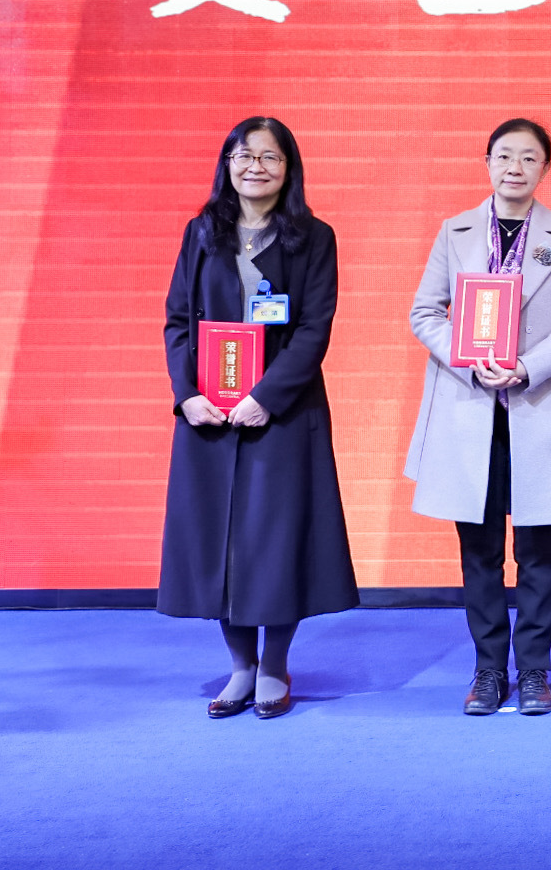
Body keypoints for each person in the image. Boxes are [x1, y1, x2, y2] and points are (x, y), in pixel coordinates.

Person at [159, 116, 358, 720]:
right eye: (244, 156)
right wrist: (187, 395)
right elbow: (177, 321)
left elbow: (313, 329)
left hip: (283, 414)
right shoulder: (201, 233)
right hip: (209, 416)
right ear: (227, 164)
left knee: (275, 541)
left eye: (270, 157)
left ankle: (274, 665)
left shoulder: (313, 237)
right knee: (219, 541)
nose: (256, 167)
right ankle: (240, 666)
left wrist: (266, 397)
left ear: (288, 168)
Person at [406, 118, 551, 718]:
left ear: (545, 168)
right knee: (480, 552)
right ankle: (488, 669)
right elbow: (424, 312)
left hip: (536, 405)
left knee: (539, 552)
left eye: (529, 158)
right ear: (487, 162)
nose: (515, 167)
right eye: (505, 156)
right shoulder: (455, 231)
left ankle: (534, 669)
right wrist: (470, 361)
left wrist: (526, 367)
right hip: (470, 409)